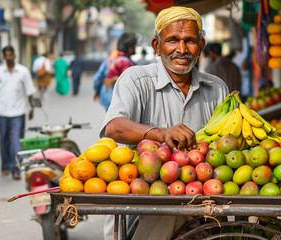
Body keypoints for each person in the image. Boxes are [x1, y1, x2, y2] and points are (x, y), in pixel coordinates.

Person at [101, 6, 229, 240]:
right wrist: (159, 134)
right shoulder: (136, 80)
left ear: (201, 46)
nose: (181, 50)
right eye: (172, 40)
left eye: (190, 40)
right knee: (167, 211)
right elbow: (114, 127)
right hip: (146, 205)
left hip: (202, 203)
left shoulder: (217, 89)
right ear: (157, 46)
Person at [0, 45, 36, 180]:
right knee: (4, 140)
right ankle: (5, 165)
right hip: (2, 111)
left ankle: (15, 167)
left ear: (14, 55)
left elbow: (30, 91)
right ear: (4, 57)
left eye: (10, 55)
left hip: (18, 111)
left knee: (15, 141)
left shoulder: (23, 71)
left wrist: (31, 108)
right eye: (6, 55)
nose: (8, 57)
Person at [93, 33, 137, 110]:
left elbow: (97, 78)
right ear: (130, 48)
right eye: (134, 46)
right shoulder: (128, 63)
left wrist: (97, 91)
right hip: (121, 102)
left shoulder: (110, 59)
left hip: (106, 97)